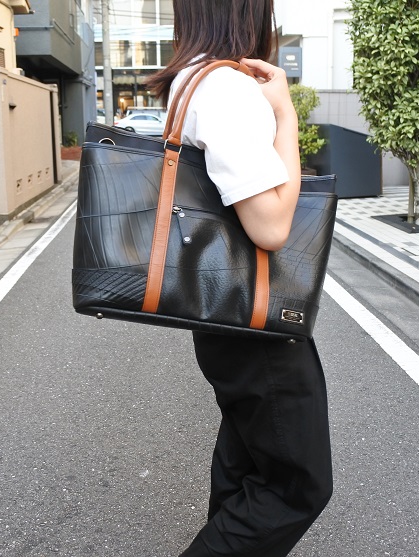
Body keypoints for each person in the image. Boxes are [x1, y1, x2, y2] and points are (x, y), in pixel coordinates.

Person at [146, 1, 333, 556]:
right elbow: (271, 225)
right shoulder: (225, 88)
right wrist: (286, 114)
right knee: (296, 486)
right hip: (254, 318)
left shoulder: (191, 79)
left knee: (248, 459)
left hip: (222, 305)